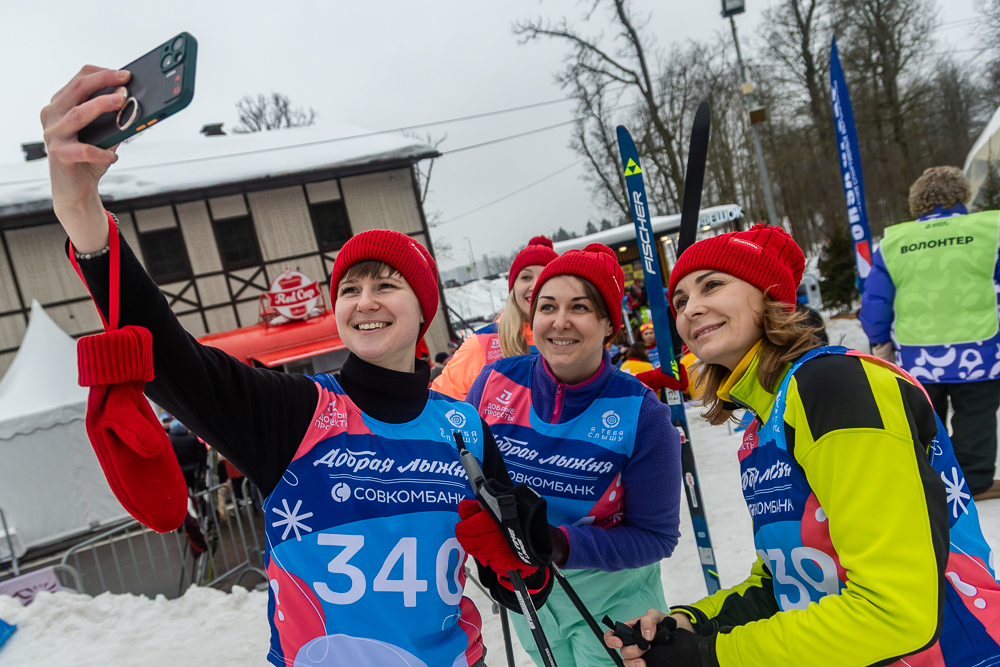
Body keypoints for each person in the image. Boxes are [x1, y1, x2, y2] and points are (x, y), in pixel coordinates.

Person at [42, 65, 551, 667]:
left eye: (386, 285)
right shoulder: (296, 412)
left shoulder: (462, 429)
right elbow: (168, 357)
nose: (364, 301)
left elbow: (515, 588)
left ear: (424, 312)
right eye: (349, 289)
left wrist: (527, 555)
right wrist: (82, 213)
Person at [604, 224, 1000, 667]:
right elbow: (786, 583)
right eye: (680, 301)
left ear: (768, 294)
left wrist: (710, 657)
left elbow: (896, 612)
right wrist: (692, 625)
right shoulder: (765, 420)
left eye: (712, 285)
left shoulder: (833, 386)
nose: (690, 309)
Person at [466, 244, 682, 667]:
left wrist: (558, 544)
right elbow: (462, 477)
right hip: (529, 593)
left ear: (607, 324)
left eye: (579, 307)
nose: (560, 322)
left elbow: (657, 537)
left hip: (616, 602)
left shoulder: (642, 414)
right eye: (548, 306)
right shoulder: (494, 384)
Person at [861, 166, 1000, 501]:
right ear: (963, 195)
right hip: (980, 349)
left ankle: (927, 479)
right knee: (976, 416)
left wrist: (879, 339)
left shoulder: (895, 242)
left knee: (925, 416)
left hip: (918, 353)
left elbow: (876, 300)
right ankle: (975, 482)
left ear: (916, 202)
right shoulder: (990, 228)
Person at [432, 236, 558, 399]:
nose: (534, 286)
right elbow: (441, 404)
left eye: (545, 276)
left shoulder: (573, 338)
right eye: (526, 277)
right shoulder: (483, 344)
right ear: (513, 287)